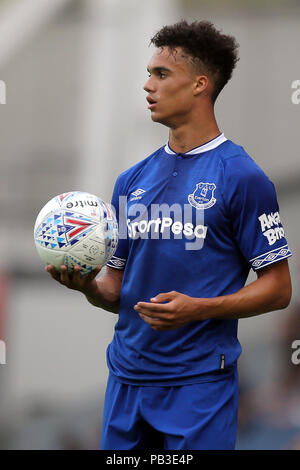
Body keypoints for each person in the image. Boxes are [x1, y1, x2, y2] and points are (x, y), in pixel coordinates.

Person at [46, 20, 292, 450]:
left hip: (198, 386)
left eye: (161, 74)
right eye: (148, 74)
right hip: (126, 381)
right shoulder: (130, 180)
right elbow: (116, 290)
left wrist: (199, 308)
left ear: (200, 84)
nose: (147, 86)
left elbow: (278, 289)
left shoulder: (242, 177)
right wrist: (86, 286)